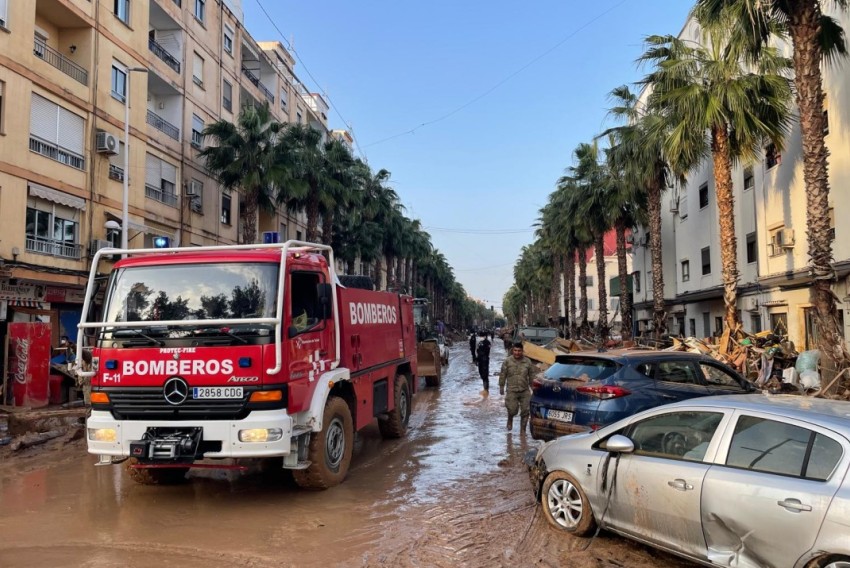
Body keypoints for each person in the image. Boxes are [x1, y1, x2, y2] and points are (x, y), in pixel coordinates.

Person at [499, 341, 537, 433]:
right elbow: (503, 374)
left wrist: (533, 388)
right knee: (512, 409)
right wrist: (501, 386)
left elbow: (531, 375)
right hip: (511, 390)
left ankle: (522, 431)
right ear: (512, 351)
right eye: (515, 350)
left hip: (524, 390)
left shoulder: (527, 361)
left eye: (519, 351)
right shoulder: (507, 361)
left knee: (526, 410)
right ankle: (510, 418)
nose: (517, 352)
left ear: (522, 351)